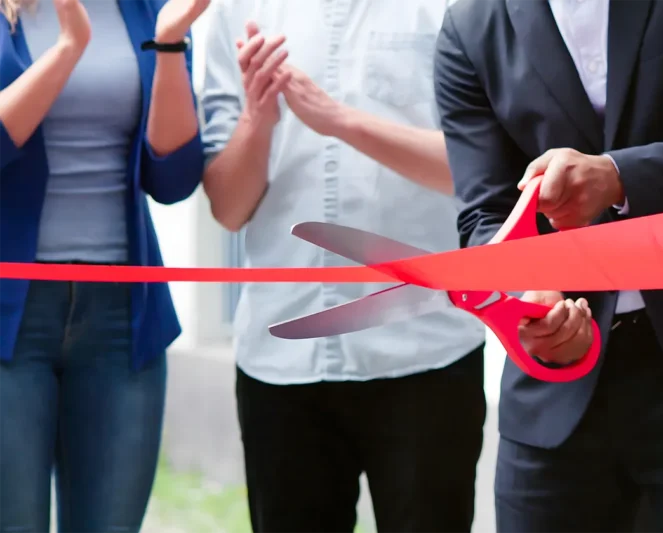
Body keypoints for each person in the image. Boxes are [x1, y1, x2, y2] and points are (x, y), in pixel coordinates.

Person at [433, 0, 663, 532]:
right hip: (553, 397)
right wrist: (528, 299)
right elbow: (485, 217)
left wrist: (621, 176)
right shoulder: (471, 24)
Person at [200, 1, 488, 532]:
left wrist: (341, 122)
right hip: (281, 357)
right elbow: (228, 208)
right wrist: (257, 119)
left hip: (425, 347)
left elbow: (480, 170)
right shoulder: (236, 12)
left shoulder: (452, 7)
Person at [0, 0, 208, 531]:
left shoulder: (147, 11)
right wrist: (70, 48)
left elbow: (174, 178)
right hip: (9, 320)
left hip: (122, 319)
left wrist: (168, 42)